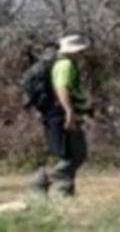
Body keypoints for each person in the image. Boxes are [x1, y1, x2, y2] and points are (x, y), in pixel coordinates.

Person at [29, 35, 92, 197]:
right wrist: (69, 112)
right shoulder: (65, 65)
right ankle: (43, 183)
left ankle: (63, 192)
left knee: (71, 154)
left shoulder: (62, 63)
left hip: (58, 113)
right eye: (81, 50)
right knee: (75, 154)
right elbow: (61, 88)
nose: (83, 53)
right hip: (62, 114)